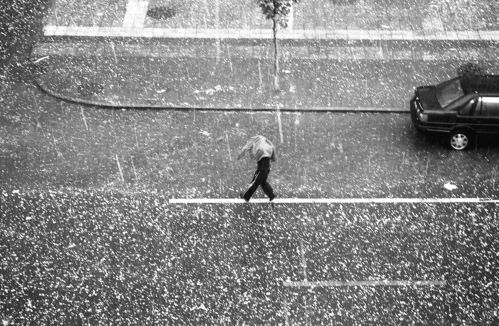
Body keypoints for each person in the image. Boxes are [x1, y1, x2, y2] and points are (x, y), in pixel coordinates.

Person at [237, 135, 276, 202]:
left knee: (256, 181)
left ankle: (246, 196)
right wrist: (273, 157)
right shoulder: (263, 139)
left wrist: (239, 156)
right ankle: (271, 195)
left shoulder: (252, 140)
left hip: (262, 162)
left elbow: (245, 148)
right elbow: (272, 146)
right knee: (262, 182)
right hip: (266, 161)